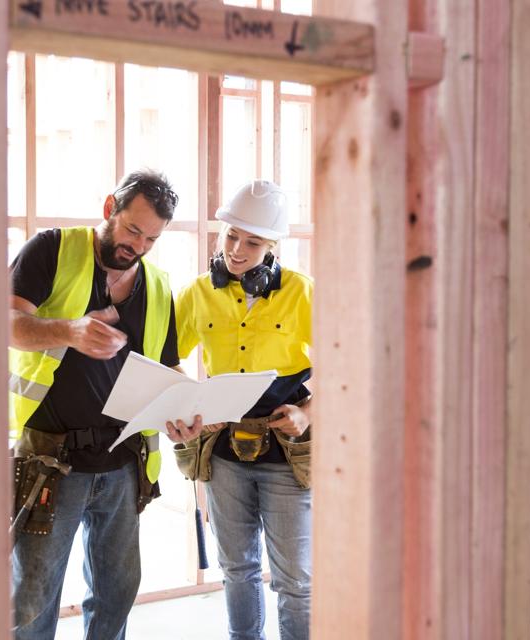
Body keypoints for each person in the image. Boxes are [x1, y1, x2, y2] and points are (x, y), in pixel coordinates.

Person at [8, 170, 181, 639]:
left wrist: (180, 412)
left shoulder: (159, 285)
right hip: (50, 458)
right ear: (109, 208)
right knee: (33, 598)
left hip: (123, 463)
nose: (138, 246)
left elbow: (168, 369)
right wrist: (69, 330)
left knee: (117, 592)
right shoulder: (52, 249)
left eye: (151, 238)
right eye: (132, 230)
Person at [165, 180, 313, 640]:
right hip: (224, 452)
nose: (236, 249)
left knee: (296, 581)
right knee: (237, 569)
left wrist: (310, 413)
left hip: (287, 452)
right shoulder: (197, 294)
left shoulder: (301, 292)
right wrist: (187, 405)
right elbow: (165, 358)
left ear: (272, 247)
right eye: (230, 235)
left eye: (252, 242)